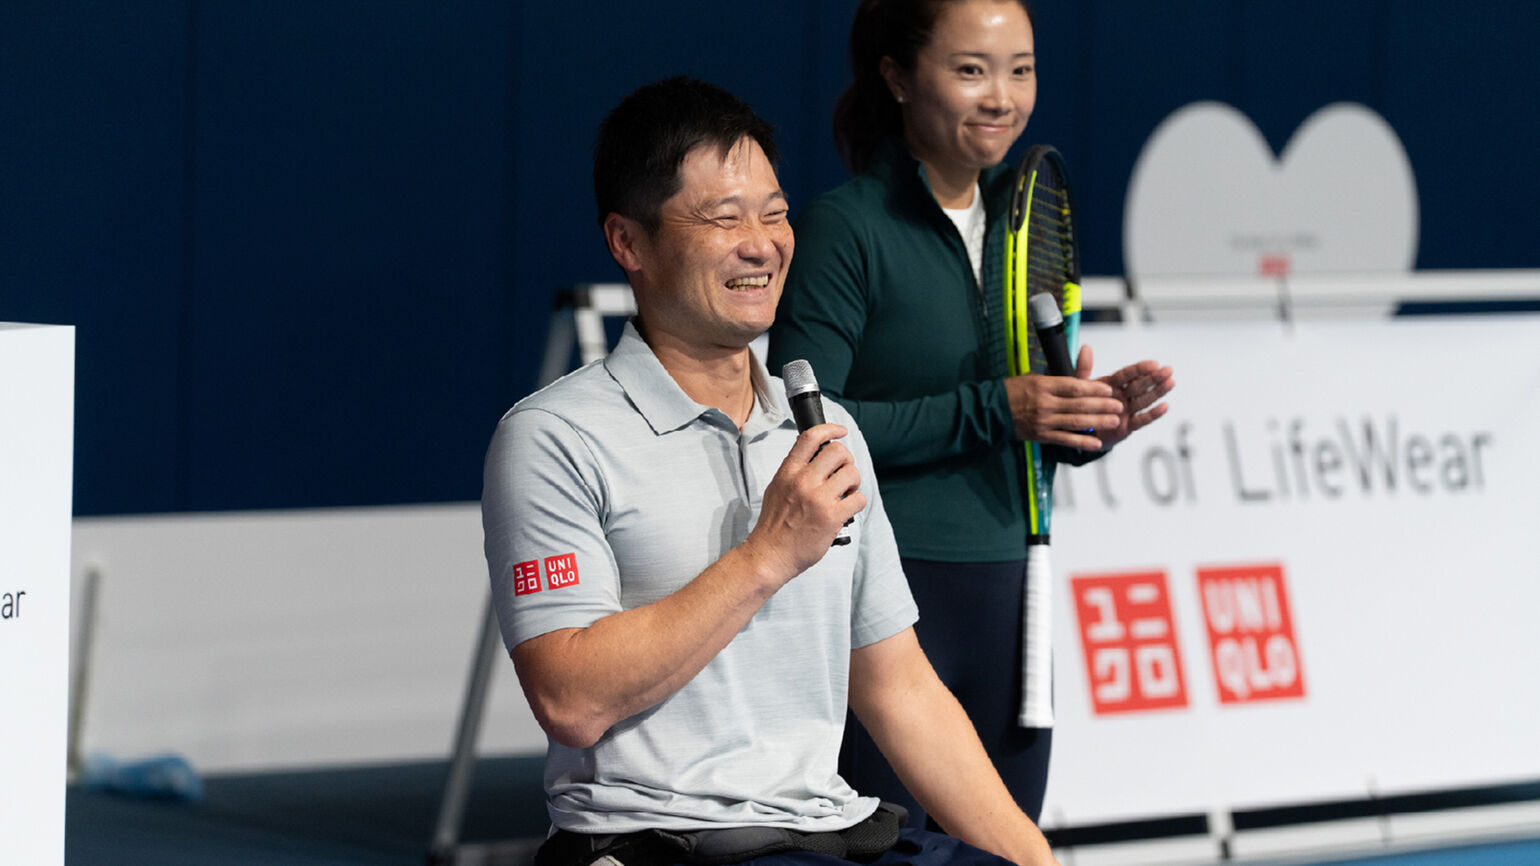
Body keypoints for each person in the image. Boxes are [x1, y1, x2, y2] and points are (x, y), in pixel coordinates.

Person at [482, 77, 1061, 866]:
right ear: (629, 243)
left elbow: (901, 691)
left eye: (776, 212)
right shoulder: (554, 436)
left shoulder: (825, 427)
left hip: (831, 832)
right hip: (658, 842)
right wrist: (767, 556)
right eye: (723, 218)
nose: (762, 243)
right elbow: (571, 699)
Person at [767, 0, 1176, 829]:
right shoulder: (844, 229)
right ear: (897, 77)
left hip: (1014, 595)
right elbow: (798, 430)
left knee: (1008, 847)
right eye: (971, 70)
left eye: (1021, 70)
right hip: (885, 601)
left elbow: (1030, 427)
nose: (1002, 96)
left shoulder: (1028, 222)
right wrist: (998, 408)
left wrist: (1086, 420)